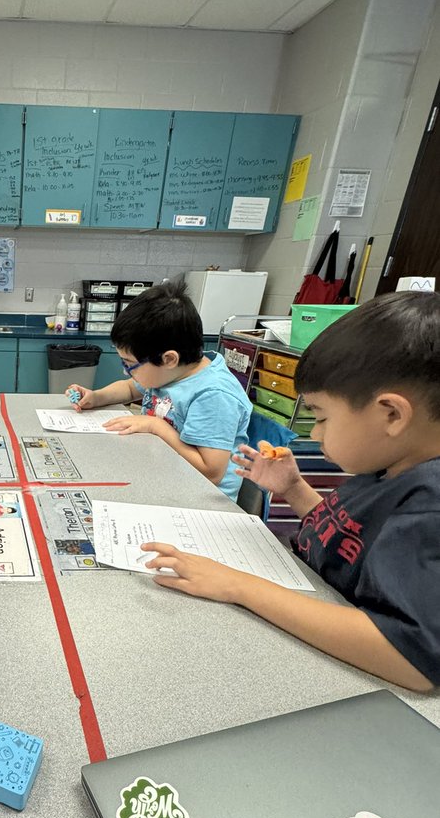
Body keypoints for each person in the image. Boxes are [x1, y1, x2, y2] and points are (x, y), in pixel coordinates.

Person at [142, 292, 440, 693]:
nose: (314, 434)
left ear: (391, 414)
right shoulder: (392, 463)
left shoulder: (428, 505)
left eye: (321, 416)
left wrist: (238, 585)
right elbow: (348, 537)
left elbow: (408, 658)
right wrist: (294, 490)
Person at [67, 280, 251, 499]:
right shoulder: (171, 372)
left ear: (169, 359)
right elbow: (128, 388)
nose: (126, 372)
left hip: (199, 499)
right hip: (162, 474)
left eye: (129, 364)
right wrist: (96, 397)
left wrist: (156, 426)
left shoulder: (214, 395)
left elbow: (211, 473)